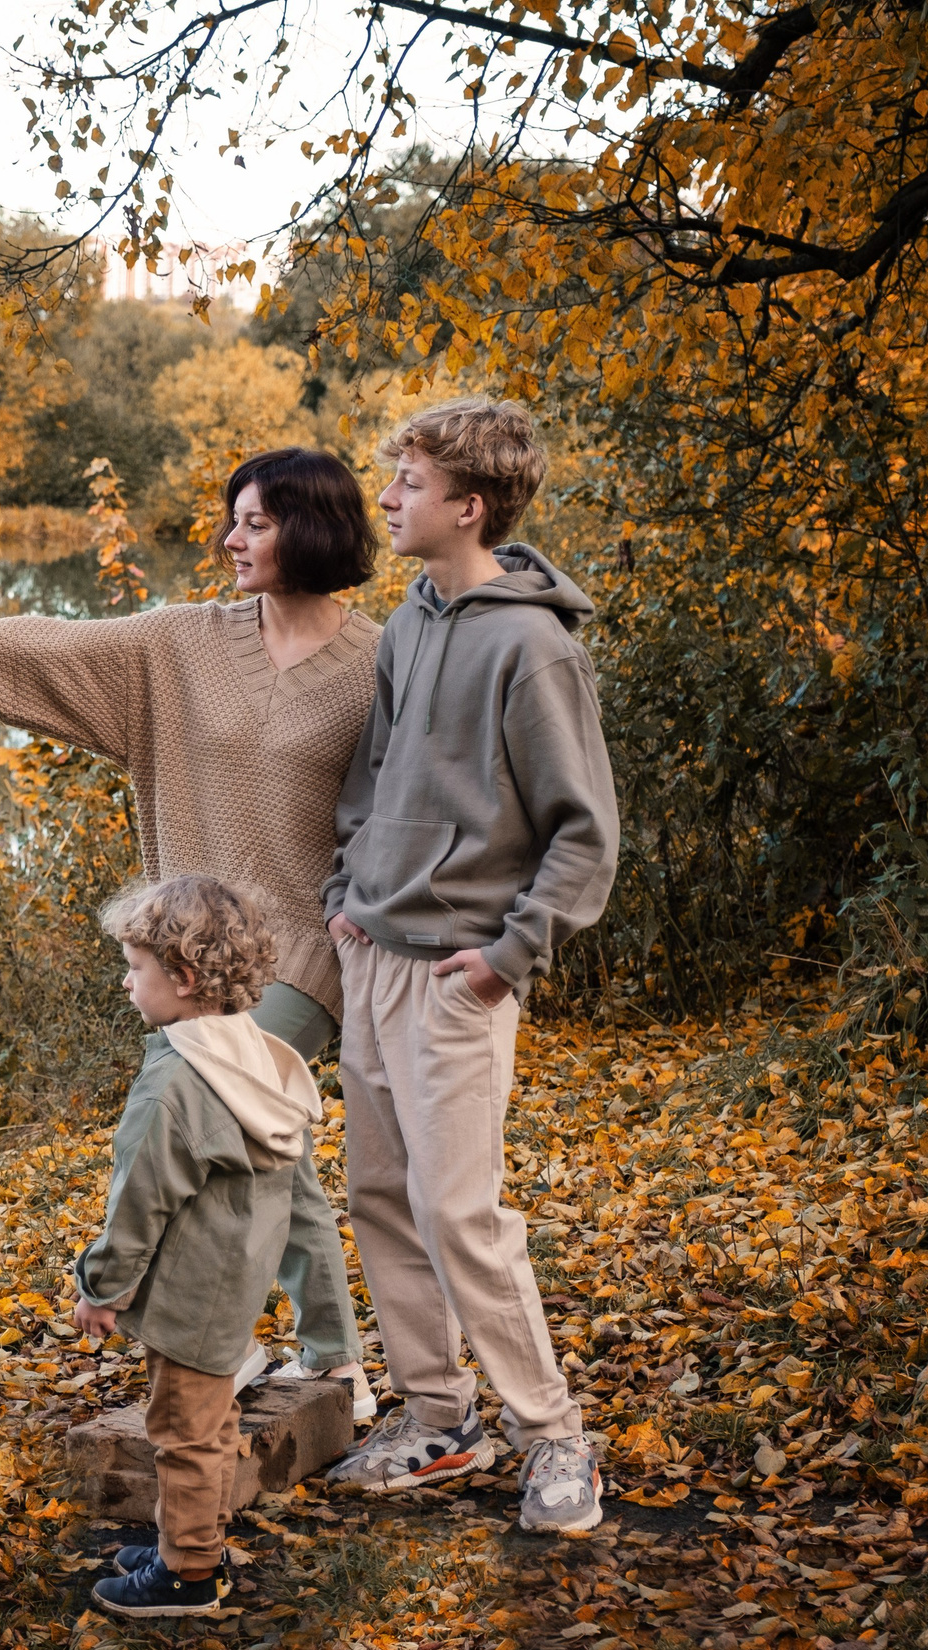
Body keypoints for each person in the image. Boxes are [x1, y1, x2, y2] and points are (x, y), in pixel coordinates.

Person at [0, 447, 381, 1417]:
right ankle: (322, 1358)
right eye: (230, 518)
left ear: (312, 529)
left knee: (210, 1116)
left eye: (255, 522)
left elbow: (421, 799)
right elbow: (52, 645)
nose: (230, 539)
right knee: (266, 1146)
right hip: (196, 949)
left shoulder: (379, 660)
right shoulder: (178, 645)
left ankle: (261, 1348)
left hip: (305, 951)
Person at [321, 398, 620, 1534]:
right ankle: (438, 1420)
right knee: (383, 1198)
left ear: (467, 506)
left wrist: (508, 957)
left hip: (459, 971)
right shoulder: (408, 623)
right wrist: (346, 895)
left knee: (459, 1214)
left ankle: (553, 1441)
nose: (388, 499)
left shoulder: (533, 646)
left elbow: (583, 830)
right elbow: (378, 773)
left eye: (406, 482)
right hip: (375, 955)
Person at [71, 876, 319, 1617]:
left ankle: (189, 1572)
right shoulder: (254, 1054)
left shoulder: (179, 1078)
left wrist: (103, 1285)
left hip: (188, 1285)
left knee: (183, 1430)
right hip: (234, 1277)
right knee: (207, 1422)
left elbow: (140, 1197)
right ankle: (185, 1535)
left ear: (181, 978)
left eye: (136, 966)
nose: (126, 979)